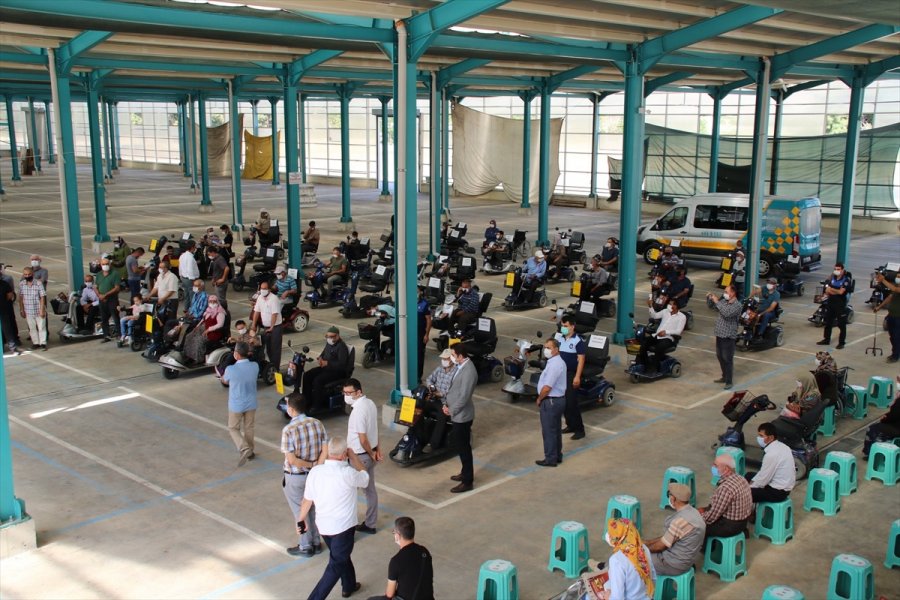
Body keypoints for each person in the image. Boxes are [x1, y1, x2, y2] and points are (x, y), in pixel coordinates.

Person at [298, 435, 369, 600]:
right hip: (343, 528)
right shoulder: (348, 473)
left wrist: (300, 519)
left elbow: (307, 500)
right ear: (344, 454)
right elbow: (365, 477)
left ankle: (349, 585)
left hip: (324, 527)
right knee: (335, 565)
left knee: (341, 556)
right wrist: (354, 457)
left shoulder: (316, 472)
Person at [281, 392, 327, 557]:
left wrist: (310, 465)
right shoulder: (317, 423)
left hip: (296, 477)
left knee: (300, 511)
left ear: (291, 409)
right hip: (315, 476)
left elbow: (292, 460)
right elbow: (325, 450)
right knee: (312, 507)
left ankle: (305, 546)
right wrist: (316, 467)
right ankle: (316, 542)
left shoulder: (288, 430)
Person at [344, 379, 381, 535]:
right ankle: (371, 524)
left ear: (358, 392)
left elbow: (363, 438)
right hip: (369, 454)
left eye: (349, 393)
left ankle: (347, 526)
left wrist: (371, 453)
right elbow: (375, 429)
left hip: (359, 457)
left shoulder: (358, 411)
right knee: (370, 490)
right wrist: (376, 450)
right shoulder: (370, 404)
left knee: (348, 492)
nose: (346, 396)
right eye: (344, 392)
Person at [645, 483, 705, 577]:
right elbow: (667, 538)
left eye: (669, 495)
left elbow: (660, 547)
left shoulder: (680, 522)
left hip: (672, 565)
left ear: (673, 499)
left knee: (635, 558)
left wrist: (642, 548)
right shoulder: (694, 512)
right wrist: (647, 542)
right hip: (686, 560)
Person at [367, 516, 434, 600]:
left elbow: (389, 594)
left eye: (394, 532)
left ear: (398, 536)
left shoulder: (396, 561)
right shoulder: (424, 551)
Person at [596, 518, 656, 600]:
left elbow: (617, 598)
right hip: (648, 597)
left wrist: (608, 597)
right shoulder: (643, 548)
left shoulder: (616, 560)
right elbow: (653, 579)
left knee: (588, 596)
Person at [444, 343, 477, 493]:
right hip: (456, 413)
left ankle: (467, 481)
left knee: (464, 448)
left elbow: (464, 397)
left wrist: (451, 410)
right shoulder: (461, 366)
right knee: (461, 446)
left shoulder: (469, 371)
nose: (451, 357)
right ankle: (465, 472)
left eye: (453, 355)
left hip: (462, 416)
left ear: (460, 356)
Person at [221, 341, 259, 466]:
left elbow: (225, 381)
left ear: (236, 354)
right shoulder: (255, 366)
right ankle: (250, 452)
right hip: (251, 403)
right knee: (249, 427)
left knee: (233, 428)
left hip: (236, 405)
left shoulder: (230, 369)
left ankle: (244, 448)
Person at [699, 453, 753, 540]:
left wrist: (698, 518)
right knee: (702, 510)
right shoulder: (741, 478)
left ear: (726, 469)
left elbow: (711, 517)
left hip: (730, 526)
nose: (713, 467)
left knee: (696, 526)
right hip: (743, 522)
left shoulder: (726, 488)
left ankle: (707, 547)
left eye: (716, 466)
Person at [535, 338, 567, 468]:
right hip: (557, 400)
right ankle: (557, 455)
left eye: (549, 348)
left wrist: (539, 398)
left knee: (549, 431)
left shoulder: (555, 365)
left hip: (551, 401)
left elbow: (547, 387)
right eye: (545, 347)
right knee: (555, 429)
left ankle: (550, 458)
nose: (546, 350)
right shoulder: (556, 362)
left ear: (556, 349)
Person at [303, 326, 351, 412]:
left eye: (331, 336)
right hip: (326, 368)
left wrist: (328, 363)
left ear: (337, 336)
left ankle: (316, 405)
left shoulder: (341, 347)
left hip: (337, 371)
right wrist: (320, 358)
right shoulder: (329, 344)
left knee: (318, 380)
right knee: (307, 375)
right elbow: (323, 353)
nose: (329, 338)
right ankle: (307, 399)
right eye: (327, 336)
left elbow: (342, 364)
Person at [745, 422, 795, 503]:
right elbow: (763, 473)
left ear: (771, 437)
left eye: (761, 436)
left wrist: (748, 487)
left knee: (743, 493)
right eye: (759, 435)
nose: (759, 438)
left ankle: (748, 509)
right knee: (749, 475)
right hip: (781, 485)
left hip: (778, 492)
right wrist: (752, 482)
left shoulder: (771, 454)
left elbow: (763, 480)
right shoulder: (783, 446)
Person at [556, 315, 586, 441]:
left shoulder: (578, 341)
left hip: (570, 374)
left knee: (572, 403)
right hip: (560, 374)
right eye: (562, 326)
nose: (563, 328)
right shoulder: (559, 339)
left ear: (572, 326)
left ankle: (579, 430)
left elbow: (581, 360)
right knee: (564, 402)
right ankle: (570, 425)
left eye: (566, 326)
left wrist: (577, 377)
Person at [639, 298, 686, 375]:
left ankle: (654, 368)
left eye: (671, 304)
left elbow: (678, 331)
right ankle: (645, 364)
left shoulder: (682, 317)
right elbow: (654, 316)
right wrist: (650, 306)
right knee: (643, 344)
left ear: (676, 306)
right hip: (657, 335)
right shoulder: (665, 311)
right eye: (669, 304)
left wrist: (666, 332)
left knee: (659, 347)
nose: (669, 305)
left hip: (668, 338)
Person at [707, 285, 741, 390]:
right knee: (720, 356)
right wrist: (710, 299)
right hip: (720, 334)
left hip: (728, 336)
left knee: (727, 358)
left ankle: (729, 381)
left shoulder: (737, 305)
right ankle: (724, 376)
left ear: (733, 293)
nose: (724, 293)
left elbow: (726, 313)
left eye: (726, 291)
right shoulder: (724, 301)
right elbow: (713, 307)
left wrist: (717, 301)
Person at [817, 262, 852, 350]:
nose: (836, 271)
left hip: (840, 304)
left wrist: (831, 289)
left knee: (841, 324)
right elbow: (827, 290)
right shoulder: (833, 278)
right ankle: (826, 339)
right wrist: (834, 291)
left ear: (842, 270)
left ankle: (841, 343)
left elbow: (841, 292)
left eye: (838, 269)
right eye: (835, 269)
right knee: (828, 322)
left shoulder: (846, 280)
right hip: (831, 303)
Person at [863, 376, 900, 457]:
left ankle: (870, 453)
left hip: (897, 428)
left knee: (873, 428)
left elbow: (894, 416)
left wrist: (884, 418)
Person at [251, 280, 283, 371]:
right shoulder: (260, 298)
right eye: (261, 288)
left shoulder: (274, 299)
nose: (262, 290)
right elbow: (256, 311)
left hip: (275, 327)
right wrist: (253, 325)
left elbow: (274, 314)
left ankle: (276, 369)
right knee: (268, 348)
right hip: (266, 327)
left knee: (275, 349)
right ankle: (271, 367)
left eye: (264, 288)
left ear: (269, 289)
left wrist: (272, 327)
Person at [184, 294, 226, 364]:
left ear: (217, 302)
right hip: (204, 328)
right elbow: (203, 319)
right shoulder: (208, 310)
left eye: (214, 301)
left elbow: (220, 324)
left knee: (198, 340)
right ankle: (189, 356)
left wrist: (209, 329)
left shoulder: (220, 312)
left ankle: (198, 359)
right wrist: (197, 326)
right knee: (189, 336)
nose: (212, 303)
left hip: (213, 332)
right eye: (210, 301)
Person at [873, 272, 900, 363]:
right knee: (892, 336)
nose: (897, 278)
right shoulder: (897, 285)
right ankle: (895, 352)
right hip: (891, 315)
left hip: (898, 317)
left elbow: (895, 289)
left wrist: (883, 280)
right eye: (897, 276)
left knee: (896, 337)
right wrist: (879, 307)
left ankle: (895, 356)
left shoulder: (896, 287)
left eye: (899, 276)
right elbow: (890, 297)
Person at [18, 267, 47, 350]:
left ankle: (43, 343)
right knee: (32, 328)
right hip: (28, 311)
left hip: (38, 309)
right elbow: (20, 298)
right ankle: (35, 343)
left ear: (32, 274)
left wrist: (42, 310)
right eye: (25, 274)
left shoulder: (38, 283)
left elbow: (42, 297)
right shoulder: (22, 284)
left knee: (41, 327)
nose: (27, 276)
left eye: (29, 274)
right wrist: (21, 309)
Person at [95, 258, 121, 342]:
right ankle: (106, 335)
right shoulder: (99, 275)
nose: (105, 266)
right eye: (103, 264)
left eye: (107, 264)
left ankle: (119, 335)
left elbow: (117, 288)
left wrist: (105, 295)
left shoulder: (115, 274)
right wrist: (99, 295)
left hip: (112, 299)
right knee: (104, 318)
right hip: (102, 299)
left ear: (110, 264)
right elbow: (96, 287)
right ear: (100, 265)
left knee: (115, 317)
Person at [178, 240, 200, 311]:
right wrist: (193, 280)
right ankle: (192, 311)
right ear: (192, 247)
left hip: (183, 278)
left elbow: (180, 267)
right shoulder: (190, 257)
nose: (195, 248)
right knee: (192, 296)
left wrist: (181, 276)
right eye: (195, 247)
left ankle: (186, 309)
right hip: (190, 279)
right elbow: (190, 269)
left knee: (187, 295)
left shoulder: (182, 255)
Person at [417, 292, 432, 383]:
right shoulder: (408, 302)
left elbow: (429, 320)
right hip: (410, 333)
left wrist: (426, 334)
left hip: (420, 333)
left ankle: (418, 377)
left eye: (417, 291)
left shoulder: (424, 304)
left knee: (419, 355)